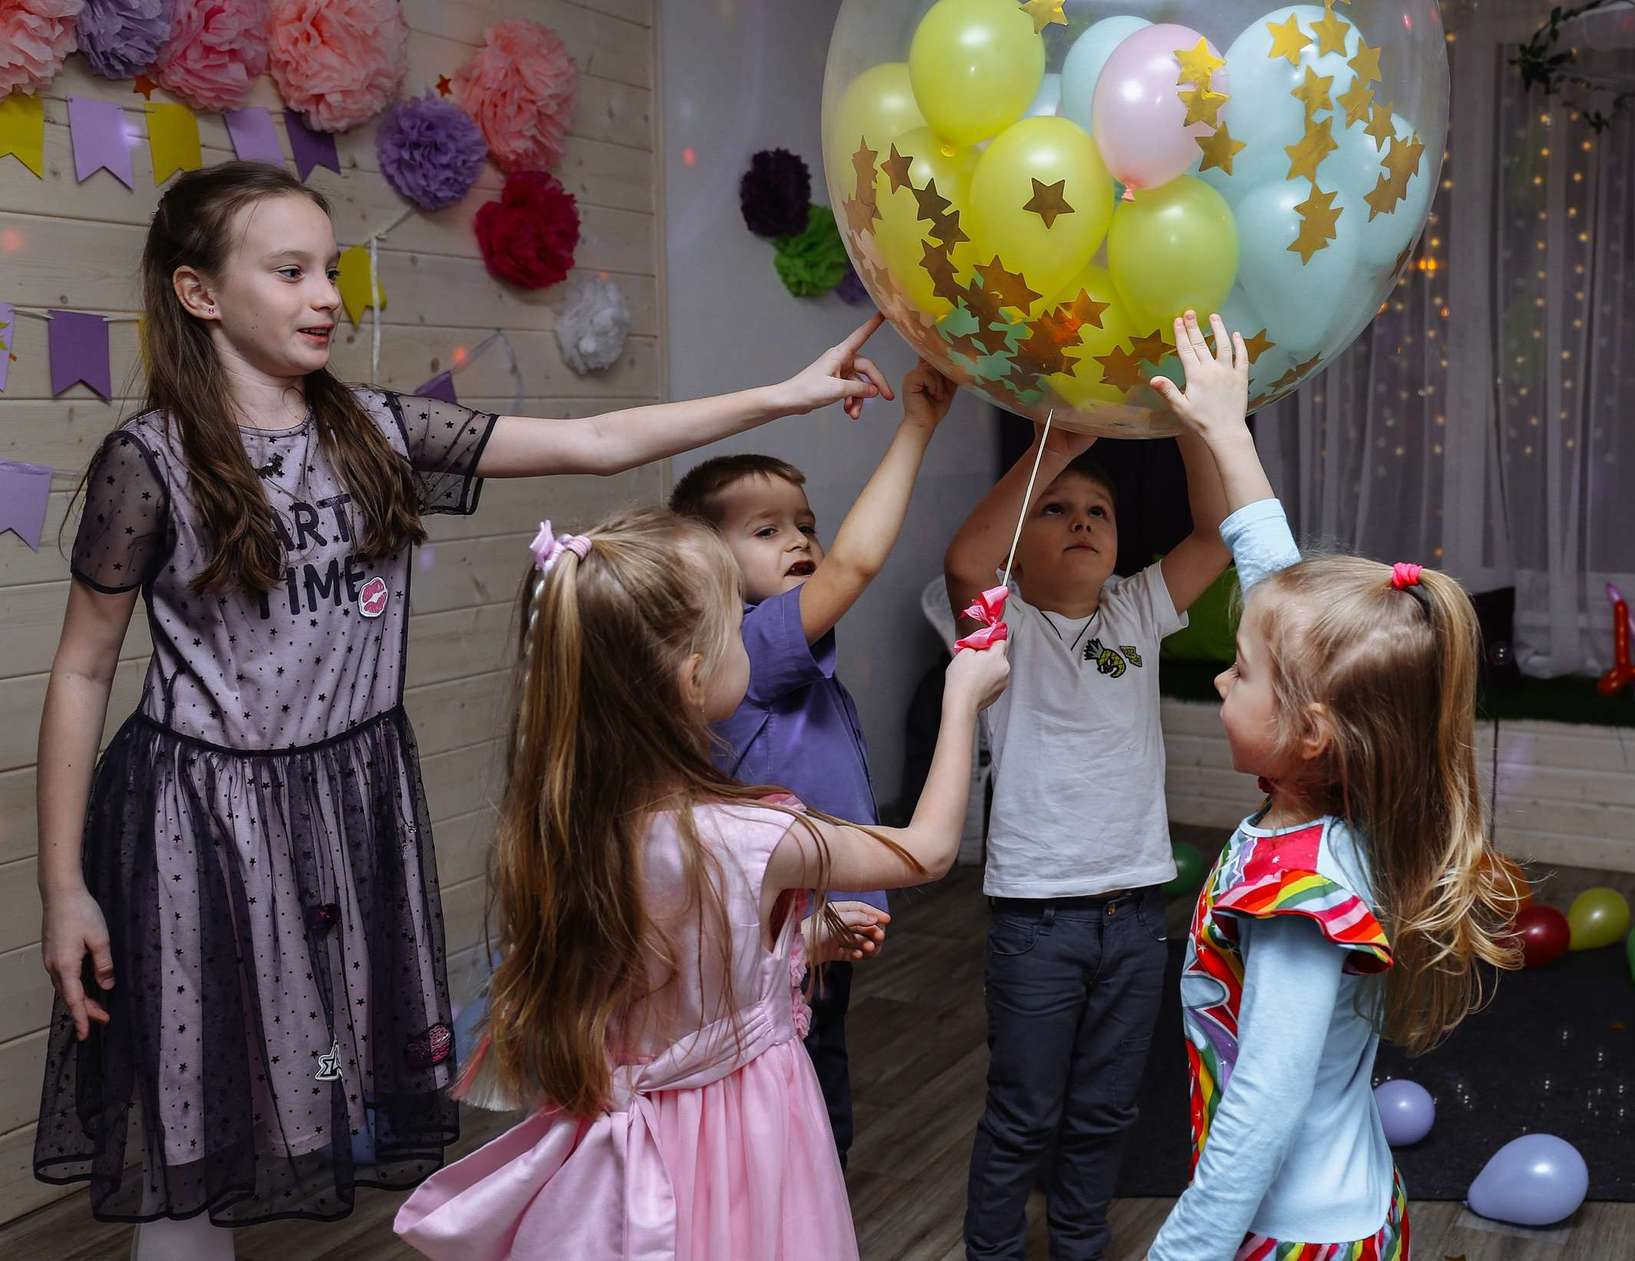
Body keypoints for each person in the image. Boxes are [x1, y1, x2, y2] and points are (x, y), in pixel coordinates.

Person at [34, 160, 893, 1260]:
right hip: (193, 821)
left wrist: (788, 391)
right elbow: (81, 670)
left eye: (330, 270)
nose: (324, 297)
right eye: (289, 271)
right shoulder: (147, 464)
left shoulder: (375, 434)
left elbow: (594, 443)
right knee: (193, 1114)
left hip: (341, 807)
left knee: (315, 1086)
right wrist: (65, 886)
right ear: (199, 293)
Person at [393, 508, 1010, 1259]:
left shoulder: (560, 822)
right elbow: (929, 850)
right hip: (738, 1135)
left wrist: (796, 939)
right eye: (736, 624)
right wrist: (961, 696)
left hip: (623, 1146)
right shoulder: (751, 835)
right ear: (693, 675)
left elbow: (661, 973)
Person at [1142, 314, 1524, 1259]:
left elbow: (1263, 1108)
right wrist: (1227, 433)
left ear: (1310, 733)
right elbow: (1282, 602)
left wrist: (1182, 1250)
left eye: (1238, 672)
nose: (1222, 681)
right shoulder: (1347, 801)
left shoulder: (1294, 899)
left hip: (1291, 1234)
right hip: (1352, 1203)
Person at [943, 319, 1236, 1261]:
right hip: (1036, 919)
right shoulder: (1003, 625)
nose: (1078, 521)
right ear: (1021, 548)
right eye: (1055, 510)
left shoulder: (1138, 609)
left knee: (1106, 1111)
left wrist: (1194, 421)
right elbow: (964, 560)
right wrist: (1048, 452)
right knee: (1024, 1116)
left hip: (1134, 910)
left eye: (1097, 512)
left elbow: (1214, 532)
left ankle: (1077, 1246)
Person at [667, 357, 958, 1166]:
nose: (799, 539)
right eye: (766, 530)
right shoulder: (747, 644)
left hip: (817, 923)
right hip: (782, 926)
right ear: (706, 564)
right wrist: (916, 426)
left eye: (803, 522)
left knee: (816, 1062)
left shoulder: (772, 641)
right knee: (795, 1085)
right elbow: (854, 566)